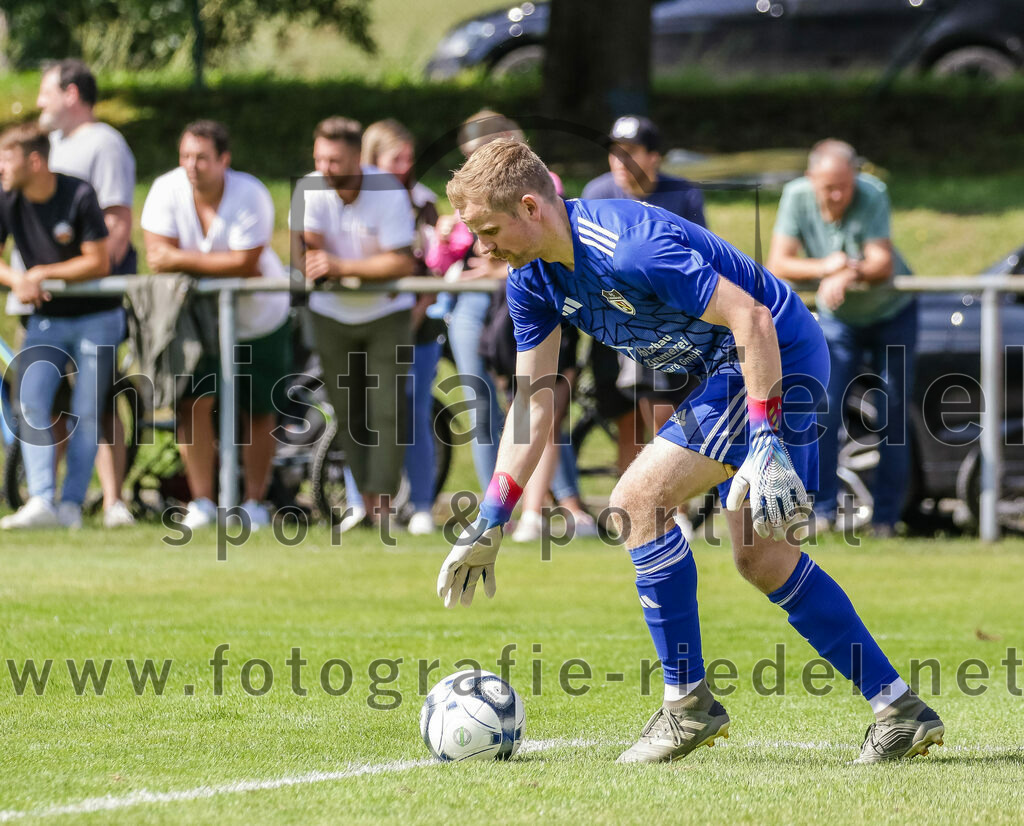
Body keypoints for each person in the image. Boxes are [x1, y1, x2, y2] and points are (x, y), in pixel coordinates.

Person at [436, 138, 944, 765]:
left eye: (489, 230)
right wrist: (490, 519)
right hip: (727, 368)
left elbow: (753, 319)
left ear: (531, 207)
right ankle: (900, 709)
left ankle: (687, 705)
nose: (484, 248)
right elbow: (535, 403)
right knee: (762, 559)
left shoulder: (628, 247)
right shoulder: (531, 278)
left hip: (770, 354)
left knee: (638, 499)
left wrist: (762, 438)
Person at [141, 120, 291, 530]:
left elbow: (245, 262)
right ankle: (202, 502)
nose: (192, 166)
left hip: (260, 318)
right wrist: (222, 267)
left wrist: (183, 260)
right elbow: (156, 255)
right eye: (186, 156)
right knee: (193, 404)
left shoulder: (251, 193)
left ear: (224, 160)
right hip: (196, 319)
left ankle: (255, 503)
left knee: (259, 409)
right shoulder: (164, 190)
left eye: (202, 158)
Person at [766, 139, 916, 537]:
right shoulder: (795, 197)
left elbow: (881, 261)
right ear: (810, 179)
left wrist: (848, 272)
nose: (836, 195)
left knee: (893, 414)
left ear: (855, 179)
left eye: (843, 186)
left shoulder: (873, 193)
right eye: (828, 187)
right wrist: (826, 266)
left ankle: (886, 519)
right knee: (823, 409)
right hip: (839, 319)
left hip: (892, 314)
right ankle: (824, 511)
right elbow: (778, 262)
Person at [293, 116, 416, 531]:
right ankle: (364, 504)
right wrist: (357, 267)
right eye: (319, 158)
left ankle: (382, 508)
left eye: (335, 160)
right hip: (331, 316)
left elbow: (400, 260)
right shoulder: (308, 188)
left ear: (356, 158)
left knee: (386, 412)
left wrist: (343, 265)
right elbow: (309, 254)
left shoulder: (388, 190)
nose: (325, 168)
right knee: (348, 414)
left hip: (387, 314)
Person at [35, 58, 138, 527]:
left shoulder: (105, 144)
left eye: (46, 92)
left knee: (97, 400)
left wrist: (89, 278)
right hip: (50, 298)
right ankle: (50, 501)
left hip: (94, 296)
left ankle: (112, 500)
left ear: (71, 94)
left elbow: (116, 224)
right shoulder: (51, 145)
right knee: (51, 403)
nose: (39, 101)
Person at [0, 122, 117, 530]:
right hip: (46, 319)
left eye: (6, 157)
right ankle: (41, 502)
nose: (0, 166)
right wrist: (19, 280)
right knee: (30, 402)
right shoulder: (7, 198)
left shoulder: (79, 194)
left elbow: (98, 261)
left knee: (86, 411)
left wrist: (42, 273)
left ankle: (71, 506)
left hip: (98, 316)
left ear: (34, 160)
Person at [583, 115, 706, 475]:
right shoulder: (596, 194)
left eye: (631, 152)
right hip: (610, 323)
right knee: (626, 418)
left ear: (655, 157)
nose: (620, 162)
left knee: (665, 416)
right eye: (614, 153)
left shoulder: (683, 194)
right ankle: (630, 514)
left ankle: (676, 510)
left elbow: (700, 257)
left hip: (667, 325)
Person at [343, 118, 442, 536]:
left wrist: (417, 309)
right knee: (360, 411)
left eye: (408, 157)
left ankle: (420, 504)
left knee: (413, 412)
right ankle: (359, 503)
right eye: (393, 158)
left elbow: (435, 265)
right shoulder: (353, 201)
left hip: (418, 327)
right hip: (364, 320)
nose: (404, 165)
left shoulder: (424, 202)